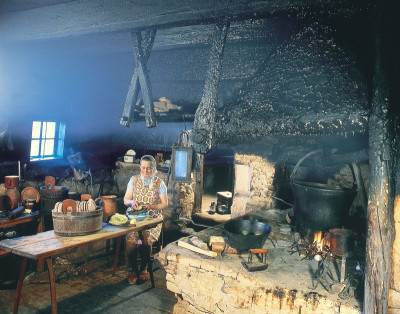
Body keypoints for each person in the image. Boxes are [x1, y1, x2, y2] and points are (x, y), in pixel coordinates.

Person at [123, 155, 168, 285]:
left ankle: (144, 268)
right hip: (135, 217)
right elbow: (126, 200)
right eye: (143, 168)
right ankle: (133, 270)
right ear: (140, 168)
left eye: (149, 168)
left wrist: (152, 206)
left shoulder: (160, 183)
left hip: (153, 218)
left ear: (154, 169)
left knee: (145, 239)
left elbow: (164, 204)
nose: (146, 171)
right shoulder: (134, 180)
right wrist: (132, 202)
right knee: (131, 238)